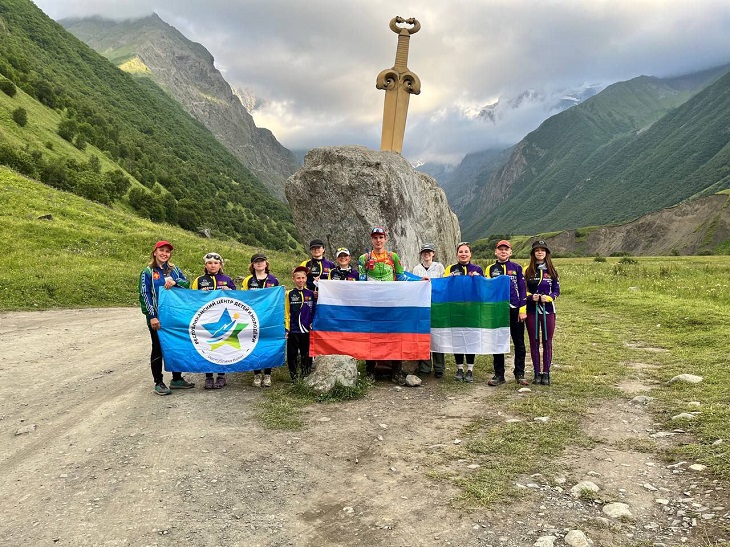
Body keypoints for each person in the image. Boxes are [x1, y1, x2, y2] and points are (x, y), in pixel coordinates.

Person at [138, 240, 195, 395]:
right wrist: (152, 316)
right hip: (158, 317)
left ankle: (177, 379)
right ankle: (158, 382)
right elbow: (145, 294)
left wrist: (175, 282)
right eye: (161, 250)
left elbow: (187, 283)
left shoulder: (173, 269)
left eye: (167, 251)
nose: (164, 254)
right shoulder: (148, 272)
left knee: (175, 345)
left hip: (174, 315)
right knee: (158, 348)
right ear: (155, 252)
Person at [358, 226, 408, 383]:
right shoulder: (363, 258)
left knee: (394, 335)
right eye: (375, 237)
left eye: (381, 237)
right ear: (371, 239)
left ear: (385, 239)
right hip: (371, 304)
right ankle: (370, 372)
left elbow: (401, 277)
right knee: (371, 336)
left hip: (391, 304)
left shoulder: (393, 257)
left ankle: (397, 372)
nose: (378, 240)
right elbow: (361, 281)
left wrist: (420, 282)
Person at [486, 240, 528, 386]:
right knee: (497, 342)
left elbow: (523, 289)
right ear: (496, 252)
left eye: (506, 249)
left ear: (510, 252)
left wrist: (522, 309)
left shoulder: (516, 268)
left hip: (515, 309)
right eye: (500, 249)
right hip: (497, 310)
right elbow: (487, 289)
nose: (503, 252)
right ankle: (499, 375)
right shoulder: (490, 269)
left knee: (519, 343)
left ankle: (520, 373)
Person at [192, 252, 235, 389]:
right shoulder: (199, 280)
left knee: (223, 346)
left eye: (216, 263)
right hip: (206, 320)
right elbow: (191, 299)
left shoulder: (227, 279)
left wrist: (230, 291)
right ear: (205, 265)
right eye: (210, 263)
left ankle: (222, 376)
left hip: (223, 319)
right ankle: (208, 376)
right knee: (207, 346)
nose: (213, 265)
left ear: (220, 265)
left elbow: (237, 299)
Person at [444, 242, 484, 383]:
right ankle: (460, 368)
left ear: (470, 254)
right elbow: (444, 287)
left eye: (466, 251)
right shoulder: (451, 269)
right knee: (458, 338)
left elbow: (483, 289)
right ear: (457, 254)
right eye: (461, 252)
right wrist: (450, 279)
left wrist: (478, 279)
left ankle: (470, 370)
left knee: (471, 337)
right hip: (456, 308)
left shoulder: (477, 269)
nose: (463, 254)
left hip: (472, 309)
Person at [524, 240, 560, 385]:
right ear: (533, 253)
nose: (540, 252)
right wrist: (530, 297)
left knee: (547, 342)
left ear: (546, 253)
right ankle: (536, 372)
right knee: (534, 342)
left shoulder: (552, 271)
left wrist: (550, 297)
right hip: (532, 310)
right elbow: (522, 290)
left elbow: (557, 291)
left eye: (543, 250)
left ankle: (546, 373)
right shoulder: (527, 271)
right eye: (537, 250)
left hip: (548, 311)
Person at [242, 252, 280, 387]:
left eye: (262, 261)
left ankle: (268, 374)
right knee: (254, 345)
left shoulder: (274, 280)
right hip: (252, 317)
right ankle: (257, 374)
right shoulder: (248, 280)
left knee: (268, 345)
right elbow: (243, 298)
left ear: (266, 263)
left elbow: (278, 299)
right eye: (256, 261)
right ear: (252, 265)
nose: (259, 263)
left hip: (269, 318)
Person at [412, 243, 446, 378]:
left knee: (437, 336)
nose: (426, 254)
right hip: (422, 306)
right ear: (421, 254)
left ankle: (439, 367)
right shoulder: (416, 269)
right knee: (423, 335)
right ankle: (425, 366)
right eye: (424, 252)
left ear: (433, 254)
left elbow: (444, 284)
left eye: (429, 252)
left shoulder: (439, 267)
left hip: (437, 305)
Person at [285, 266, 316, 382]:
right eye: (298, 278)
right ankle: (293, 377)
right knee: (292, 355)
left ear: (306, 278)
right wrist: (287, 328)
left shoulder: (311, 294)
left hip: (307, 330)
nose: (301, 280)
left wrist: (313, 322)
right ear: (293, 279)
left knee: (306, 354)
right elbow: (286, 312)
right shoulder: (289, 294)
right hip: (293, 330)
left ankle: (305, 375)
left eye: (303, 278)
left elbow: (314, 310)